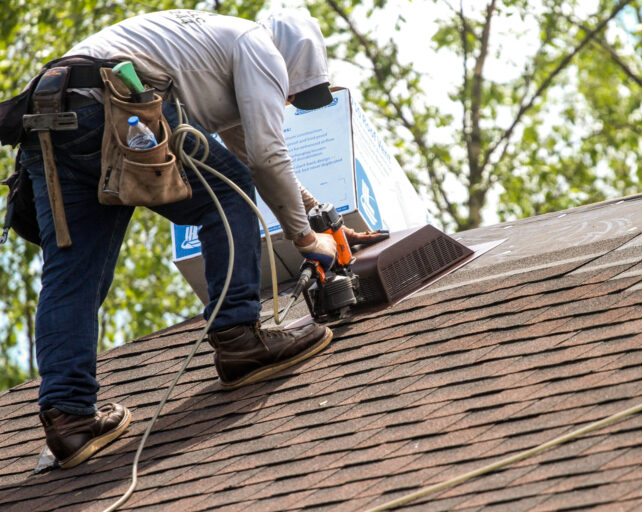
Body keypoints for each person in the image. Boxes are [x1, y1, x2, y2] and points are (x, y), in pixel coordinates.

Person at [19, 9, 380, 469]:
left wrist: (315, 214)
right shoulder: (258, 45)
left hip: (50, 111)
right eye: (292, 92)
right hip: (111, 104)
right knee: (225, 196)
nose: (285, 102)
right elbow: (267, 159)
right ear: (288, 63)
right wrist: (307, 241)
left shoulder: (216, 45)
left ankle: (68, 421)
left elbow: (248, 150)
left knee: (72, 275)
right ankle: (239, 339)